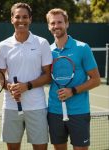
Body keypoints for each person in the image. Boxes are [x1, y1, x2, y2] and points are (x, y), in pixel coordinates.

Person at [0, 2, 52, 150]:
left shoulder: (42, 43)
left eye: (25, 17)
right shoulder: (3, 46)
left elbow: (48, 76)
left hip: (36, 106)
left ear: (30, 19)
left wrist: (26, 86)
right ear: (12, 19)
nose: (21, 20)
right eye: (18, 17)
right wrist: (10, 87)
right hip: (11, 107)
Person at [46, 8, 101, 150]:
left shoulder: (82, 48)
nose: (56, 26)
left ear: (67, 24)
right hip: (55, 111)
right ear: (48, 26)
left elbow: (96, 79)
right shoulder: (47, 51)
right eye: (53, 23)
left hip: (79, 111)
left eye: (60, 22)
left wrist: (73, 91)